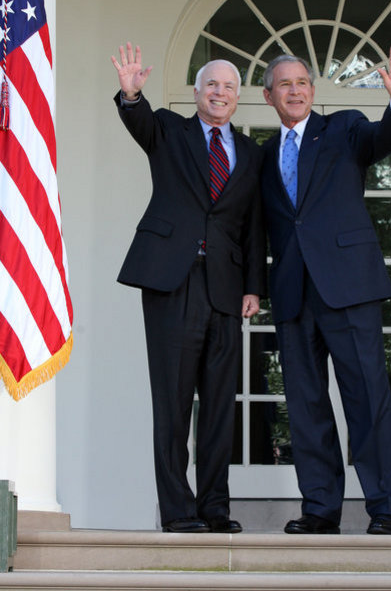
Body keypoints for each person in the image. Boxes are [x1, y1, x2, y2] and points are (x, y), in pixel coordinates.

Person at [260, 44, 391, 535]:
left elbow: (384, 137)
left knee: (368, 398)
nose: (295, 90)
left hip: (348, 287)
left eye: (302, 82)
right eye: (284, 84)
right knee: (306, 406)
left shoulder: (344, 128)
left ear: (312, 90)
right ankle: (321, 508)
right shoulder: (263, 156)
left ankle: (385, 507)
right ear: (269, 96)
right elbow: (256, 229)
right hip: (292, 294)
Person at [111, 43, 266, 533]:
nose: (220, 92)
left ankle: (214, 509)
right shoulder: (169, 132)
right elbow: (138, 121)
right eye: (212, 84)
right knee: (173, 404)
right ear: (196, 92)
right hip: (170, 282)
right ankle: (178, 510)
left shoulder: (250, 153)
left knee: (221, 406)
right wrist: (130, 94)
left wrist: (254, 288)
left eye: (229, 86)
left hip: (225, 287)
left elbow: (253, 227)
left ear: (238, 99)